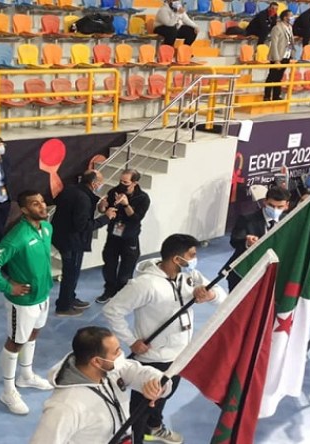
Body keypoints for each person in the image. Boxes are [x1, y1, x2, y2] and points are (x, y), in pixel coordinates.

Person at [103, 234, 226, 444]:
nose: (195, 259)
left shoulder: (190, 276)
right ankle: (136, 438)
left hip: (180, 355)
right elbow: (112, 310)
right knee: (142, 406)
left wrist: (210, 295)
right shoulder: (144, 284)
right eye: (192, 255)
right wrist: (131, 341)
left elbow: (221, 296)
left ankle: (154, 426)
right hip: (153, 358)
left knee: (164, 395)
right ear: (177, 259)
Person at [0, 190, 55, 415]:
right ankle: (8, 391)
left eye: (42, 202)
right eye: (35, 204)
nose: (42, 206)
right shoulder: (17, 236)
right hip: (22, 301)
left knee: (33, 334)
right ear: (24, 209)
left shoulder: (47, 228)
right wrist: (7, 286)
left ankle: (26, 376)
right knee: (15, 342)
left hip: (42, 295)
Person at [29, 326, 171, 444]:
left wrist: (157, 385)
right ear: (96, 361)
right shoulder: (64, 406)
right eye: (116, 352)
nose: (121, 354)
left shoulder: (112, 369)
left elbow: (141, 373)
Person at [51, 170, 117, 317]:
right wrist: (106, 218)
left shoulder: (71, 190)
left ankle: (70, 298)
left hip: (62, 236)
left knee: (71, 272)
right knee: (71, 273)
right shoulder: (83, 199)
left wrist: (99, 203)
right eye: (100, 182)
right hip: (72, 241)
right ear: (94, 183)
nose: (101, 185)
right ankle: (64, 306)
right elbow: (83, 226)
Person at [96, 170, 151, 304]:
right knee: (109, 264)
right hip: (113, 234)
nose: (122, 184)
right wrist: (102, 206)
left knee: (127, 267)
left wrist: (126, 204)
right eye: (120, 181)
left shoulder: (143, 198)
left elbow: (136, 218)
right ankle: (109, 290)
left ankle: (122, 293)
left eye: (125, 182)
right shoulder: (114, 192)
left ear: (134, 183)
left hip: (130, 236)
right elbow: (104, 210)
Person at [224, 186, 290, 291]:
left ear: (287, 205)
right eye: (271, 205)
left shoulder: (288, 221)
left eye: (280, 207)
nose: (275, 210)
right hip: (244, 274)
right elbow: (234, 241)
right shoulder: (247, 219)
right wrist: (246, 242)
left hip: (272, 276)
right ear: (265, 202)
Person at [263, 9, 294, 102]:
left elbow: (290, 41)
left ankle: (276, 96)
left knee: (279, 77)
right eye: (290, 16)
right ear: (285, 17)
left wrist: (292, 54)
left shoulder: (290, 27)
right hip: (278, 56)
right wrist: (276, 59)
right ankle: (267, 96)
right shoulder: (277, 28)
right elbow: (274, 44)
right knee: (272, 76)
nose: (292, 18)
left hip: (286, 55)